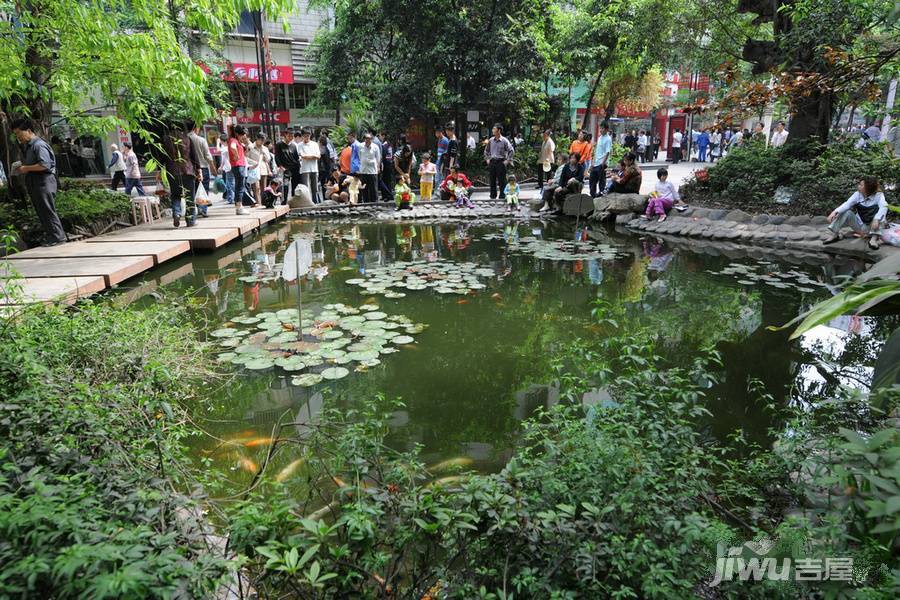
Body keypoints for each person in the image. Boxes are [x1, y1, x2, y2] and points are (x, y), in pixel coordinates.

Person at [10, 118, 67, 245]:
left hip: (43, 181)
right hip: (36, 181)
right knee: (41, 210)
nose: (18, 136)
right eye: (16, 134)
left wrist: (25, 168)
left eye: (19, 133)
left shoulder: (38, 145)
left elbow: (45, 165)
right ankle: (53, 237)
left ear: (28, 131)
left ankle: (58, 237)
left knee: (47, 209)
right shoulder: (29, 146)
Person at [823, 176, 886, 250]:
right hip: (860, 226)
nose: (858, 186)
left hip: (872, 227)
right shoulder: (857, 194)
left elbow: (884, 207)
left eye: (861, 185)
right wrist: (834, 212)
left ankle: (873, 239)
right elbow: (847, 204)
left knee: (881, 215)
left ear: (868, 187)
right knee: (846, 212)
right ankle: (835, 235)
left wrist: (876, 219)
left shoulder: (879, 195)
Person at [188, 123, 217, 217]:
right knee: (203, 189)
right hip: (203, 168)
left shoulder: (183, 140)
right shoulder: (201, 140)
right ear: (195, 128)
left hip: (189, 169)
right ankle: (202, 209)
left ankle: (195, 209)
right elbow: (208, 156)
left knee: (193, 189)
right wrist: (213, 169)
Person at [484, 124, 514, 200]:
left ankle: (502, 196)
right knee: (492, 179)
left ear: (499, 130)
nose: (492, 130)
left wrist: (507, 161)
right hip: (492, 162)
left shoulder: (504, 140)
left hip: (501, 162)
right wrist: (487, 159)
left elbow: (511, 150)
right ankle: (493, 196)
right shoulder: (491, 140)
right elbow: (486, 151)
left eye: (494, 129)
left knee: (502, 180)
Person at [227, 125, 250, 214]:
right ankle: (239, 207)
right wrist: (236, 155)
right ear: (237, 134)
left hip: (240, 165)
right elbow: (233, 147)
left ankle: (239, 206)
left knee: (239, 186)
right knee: (240, 186)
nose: (243, 136)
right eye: (242, 134)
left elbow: (245, 153)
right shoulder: (233, 140)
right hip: (238, 165)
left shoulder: (237, 141)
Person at [296, 127, 321, 204]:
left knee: (315, 187)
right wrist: (313, 156)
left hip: (314, 168)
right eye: (305, 135)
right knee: (305, 187)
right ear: (302, 136)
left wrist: (307, 156)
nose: (307, 137)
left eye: (308, 135)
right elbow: (302, 156)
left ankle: (315, 202)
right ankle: (307, 202)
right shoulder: (299, 145)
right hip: (304, 169)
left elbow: (318, 156)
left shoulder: (315, 144)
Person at [275, 129, 300, 201]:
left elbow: (296, 158)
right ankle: (284, 201)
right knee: (285, 185)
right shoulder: (279, 144)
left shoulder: (294, 145)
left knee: (295, 185)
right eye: (289, 136)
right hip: (285, 168)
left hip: (295, 168)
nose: (290, 137)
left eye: (292, 136)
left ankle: (294, 200)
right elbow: (277, 156)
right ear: (285, 135)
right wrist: (280, 166)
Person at [357, 132, 381, 204]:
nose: (368, 140)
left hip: (372, 170)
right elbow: (359, 156)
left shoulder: (375, 147)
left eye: (370, 139)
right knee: (364, 187)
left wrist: (378, 167)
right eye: (367, 139)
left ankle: (374, 202)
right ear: (364, 139)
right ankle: (366, 202)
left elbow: (378, 158)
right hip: (363, 170)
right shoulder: (360, 146)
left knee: (373, 188)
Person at [589, 123, 612, 198]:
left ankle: (601, 198)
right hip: (596, 163)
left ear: (607, 129)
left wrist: (603, 163)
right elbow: (597, 150)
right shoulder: (600, 137)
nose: (601, 130)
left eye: (602, 128)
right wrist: (593, 162)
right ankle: (593, 197)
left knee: (601, 182)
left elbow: (607, 152)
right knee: (592, 181)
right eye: (600, 128)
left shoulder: (608, 139)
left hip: (602, 163)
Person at [378, 132, 394, 201]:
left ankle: (388, 195)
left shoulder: (384, 145)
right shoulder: (389, 145)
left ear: (383, 136)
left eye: (380, 136)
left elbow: (383, 157)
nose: (379, 137)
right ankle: (385, 195)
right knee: (387, 181)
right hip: (389, 164)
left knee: (384, 181)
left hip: (385, 165)